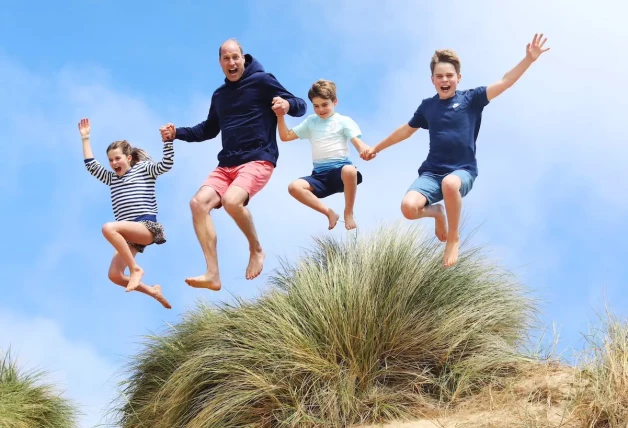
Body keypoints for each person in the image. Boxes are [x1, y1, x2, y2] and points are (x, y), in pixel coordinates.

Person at [361, 33, 550, 268]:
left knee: (450, 184)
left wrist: (528, 60)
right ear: (432, 80)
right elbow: (406, 130)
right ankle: (437, 213)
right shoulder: (427, 106)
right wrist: (376, 148)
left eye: (449, 75)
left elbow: (505, 81)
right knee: (408, 208)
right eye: (439, 76)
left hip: (463, 171)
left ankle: (454, 238)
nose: (445, 80)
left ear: (458, 78)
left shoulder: (472, 99)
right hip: (431, 173)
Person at [159, 38, 307, 291]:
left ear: (243, 57)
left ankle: (256, 249)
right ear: (220, 63)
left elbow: (301, 106)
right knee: (197, 204)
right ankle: (213, 274)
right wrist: (177, 133)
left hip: (258, 158)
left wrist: (286, 104)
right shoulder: (220, 96)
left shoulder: (262, 81)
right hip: (227, 164)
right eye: (226, 59)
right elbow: (207, 129)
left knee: (231, 200)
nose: (231, 62)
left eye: (235, 57)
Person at [79, 117, 173, 309]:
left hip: (146, 227)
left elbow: (166, 165)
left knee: (108, 228)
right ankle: (153, 292)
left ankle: (135, 269)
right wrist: (85, 138)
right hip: (129, 235)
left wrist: (168, 142)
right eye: (111, 160)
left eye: (118, 158)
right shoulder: (111, 178)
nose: (114, 163)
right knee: (114, 275)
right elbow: (91, 165)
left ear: (128, 158)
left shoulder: (143, 169)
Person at [275, 79, 371, 230]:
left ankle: (348, 212)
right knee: (294, 187)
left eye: (325, 104)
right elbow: (285, 136)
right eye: (316, 106)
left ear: (335, 102)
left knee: (350, 170)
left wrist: (363, 150)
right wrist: (280, 116)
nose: (320, 110)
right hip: (320, 177)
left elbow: (358, 142)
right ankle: (329, 213)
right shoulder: (311, 122)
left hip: (340, 174)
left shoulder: (343, 121)